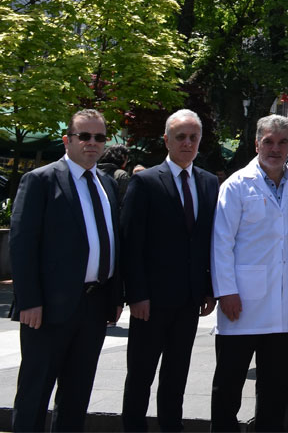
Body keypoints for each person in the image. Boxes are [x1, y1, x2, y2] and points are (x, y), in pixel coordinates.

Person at [10, 109, 124, 432]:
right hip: (47, 309)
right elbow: (21, 244)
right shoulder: (41, 180)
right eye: (84, 136)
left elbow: (113, 241)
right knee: (35, 394)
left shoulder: (106, 184)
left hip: (94, 306)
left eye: (99, 137)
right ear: (67, 140)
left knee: (76, 398)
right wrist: (29, 300)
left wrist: (116, 296)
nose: (92, 143)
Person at [209, 115, 288, 432]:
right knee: (228, 387)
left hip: (284, 305)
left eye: (282, 142)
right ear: (256, 144)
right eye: (269, 141)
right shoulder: (237, 185)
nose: (276, 148)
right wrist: (226, 291)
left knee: (274, 390)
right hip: (241, 304)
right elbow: (221, 243)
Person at [120, 109, 218, 432]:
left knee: (176, 379)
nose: (188, 143)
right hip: (150, 303)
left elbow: (206, 240)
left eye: (193, 137)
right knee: (140, 379)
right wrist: (136, 295)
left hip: (189, 302)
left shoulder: (208, 182)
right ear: (166, 140)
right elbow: (131, 243)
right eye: (181, 137)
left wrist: (208, 287)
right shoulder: (145, 182)